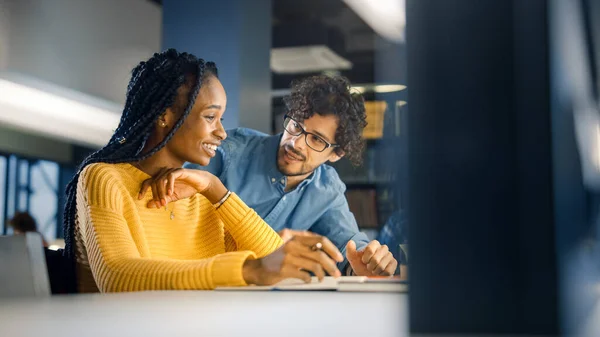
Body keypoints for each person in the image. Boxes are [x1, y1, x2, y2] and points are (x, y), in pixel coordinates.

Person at [62, 49, 344, 293]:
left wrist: (215, 190)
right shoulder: (103, 179)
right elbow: (117, 277)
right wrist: (246, 270)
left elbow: (272, 257)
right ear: (164, 115)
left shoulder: (200, 195)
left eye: (221, 119)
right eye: (210, 117)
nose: (221, 132)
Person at [187, 75, 398, 276]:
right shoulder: (227, 151)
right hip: (194, 284)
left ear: (336, 153)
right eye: (296, 125)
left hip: (260, 302)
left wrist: (368, 261)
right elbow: (174, 222)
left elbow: (348, 247)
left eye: (316, 140)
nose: (295, 143)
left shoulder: (326, 188)